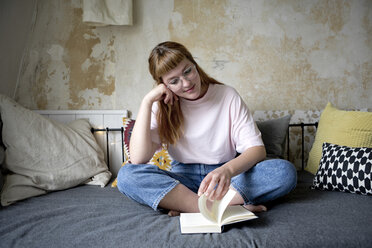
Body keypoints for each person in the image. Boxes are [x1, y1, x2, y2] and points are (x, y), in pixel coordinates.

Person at [117, 41, 297, 216]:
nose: (186, 83)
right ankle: (216, 208)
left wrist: (226, 170)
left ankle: (189, 207)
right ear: (163, 85)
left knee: (284, 171)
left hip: (227, 179)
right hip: (183, 183)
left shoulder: (227, 95)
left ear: (194, 64)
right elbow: (139, 159)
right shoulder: (161, 106)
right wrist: (147, 102)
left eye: (188, 71)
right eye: (174, 81)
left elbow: (257, 150)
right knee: (126, 175)